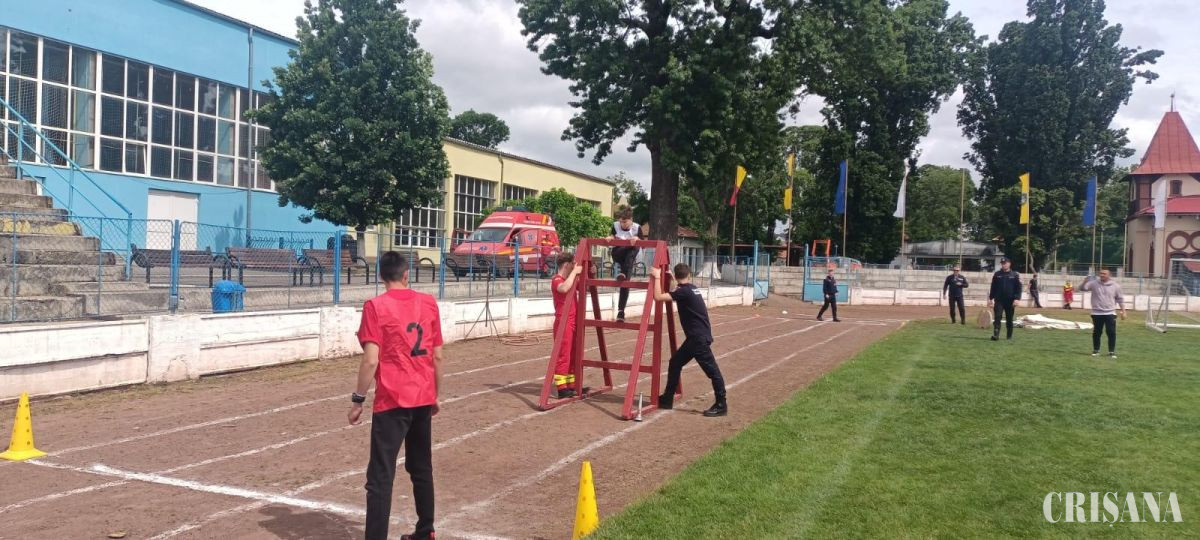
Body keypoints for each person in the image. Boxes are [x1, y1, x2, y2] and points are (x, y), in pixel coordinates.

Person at [350, 252, 442, 540]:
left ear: (381, 276)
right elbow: (437, 356)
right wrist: (435, 394)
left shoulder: (375, 307)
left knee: (380, 476)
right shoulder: (428, 303)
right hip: (422, 397)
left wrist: (358, 399)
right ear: (406, 275)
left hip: (392, 400)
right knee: (421, 467)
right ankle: (425, 531)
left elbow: (371, 360)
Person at [651, 264, 727, 417]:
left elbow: (658, 297)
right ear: (689, 275)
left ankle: (721, 404)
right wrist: (672, 278)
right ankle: (667, 398)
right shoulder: (691, 288)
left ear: (677, 275)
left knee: (713, 372)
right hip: (696, 337)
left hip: (698, 339)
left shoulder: (683, 292)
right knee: (675, 362)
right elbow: (677, 290)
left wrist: (657, 277)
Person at [551, 252, 583, 398]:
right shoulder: (557, 279)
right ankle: (561, 388)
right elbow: (563, 288)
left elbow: (585, 287)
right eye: (572, 265)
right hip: (563, 322)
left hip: (573, 321)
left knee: (573, 354)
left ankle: (571, 384)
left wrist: (591, 273)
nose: (573, 267)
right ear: (566, 265)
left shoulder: (570, 279)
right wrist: (575, 273)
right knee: (563, 354)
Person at [1079, 269, 1126, 359]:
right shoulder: (1094, 283)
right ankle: (1096, 350)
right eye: (1101, 273)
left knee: (1111, 332)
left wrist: (1124, 311)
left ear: (1109, 275)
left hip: (1110, 313)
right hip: (1097, 313)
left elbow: (1120, 299)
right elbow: (1082, 289)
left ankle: (1111, 352)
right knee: (1097, 332)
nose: (1102, 275)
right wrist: (1085, 282)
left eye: (1104, 273)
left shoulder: (1116, 286)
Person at [610, 207, 641, 322]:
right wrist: (610, 237)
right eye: (621, 222)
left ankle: (621, 311)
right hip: (618, 252)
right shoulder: (615, 225)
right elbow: (612, 235)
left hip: (629, 256)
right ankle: (620, 271)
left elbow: (643, 242)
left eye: (625, 222)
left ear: (631, 220)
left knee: (625, 284)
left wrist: (637, 238)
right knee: (617, 250)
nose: (622, 224)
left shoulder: (637, 227)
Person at [987, 257, 1022, 341]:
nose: (1003, 265)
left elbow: (1018, 288)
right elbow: (993, 287)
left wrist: (1017, 298)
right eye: (1002, 263)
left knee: (1009, 319)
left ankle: (1009, 336)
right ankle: (996, 335)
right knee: (997, 317)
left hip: (1010, 301)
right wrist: (991, 298)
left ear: (1009, 264)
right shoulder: (997, 274)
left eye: (1005, 263)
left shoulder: (1015, 275)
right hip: (999, 300)